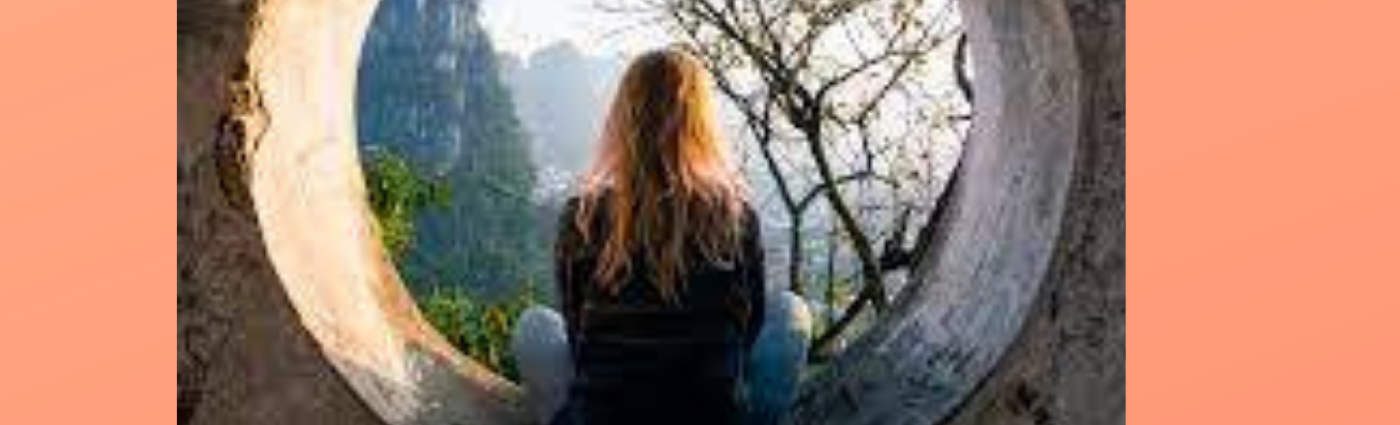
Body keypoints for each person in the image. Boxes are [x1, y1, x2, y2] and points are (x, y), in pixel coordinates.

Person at [510, 48, 811, 425]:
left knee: (535, 326)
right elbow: (748, 328)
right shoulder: (734, 215)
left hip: (603, 416)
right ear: (700, 122)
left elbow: (578, 334)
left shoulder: (582, 216)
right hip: (713, 417)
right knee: (790, 311)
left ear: (622, 119)